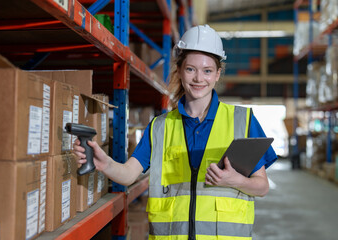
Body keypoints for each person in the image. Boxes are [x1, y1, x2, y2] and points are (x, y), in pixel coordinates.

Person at [73, 24, 277, 240]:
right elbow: (128, 174)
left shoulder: (242, 121)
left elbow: (262, 187)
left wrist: (234, 181)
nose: (199, 79)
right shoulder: (160, 127)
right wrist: (106, 164)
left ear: (218, 74)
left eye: (207, 71)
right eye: (191, 69)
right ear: (179, 71)